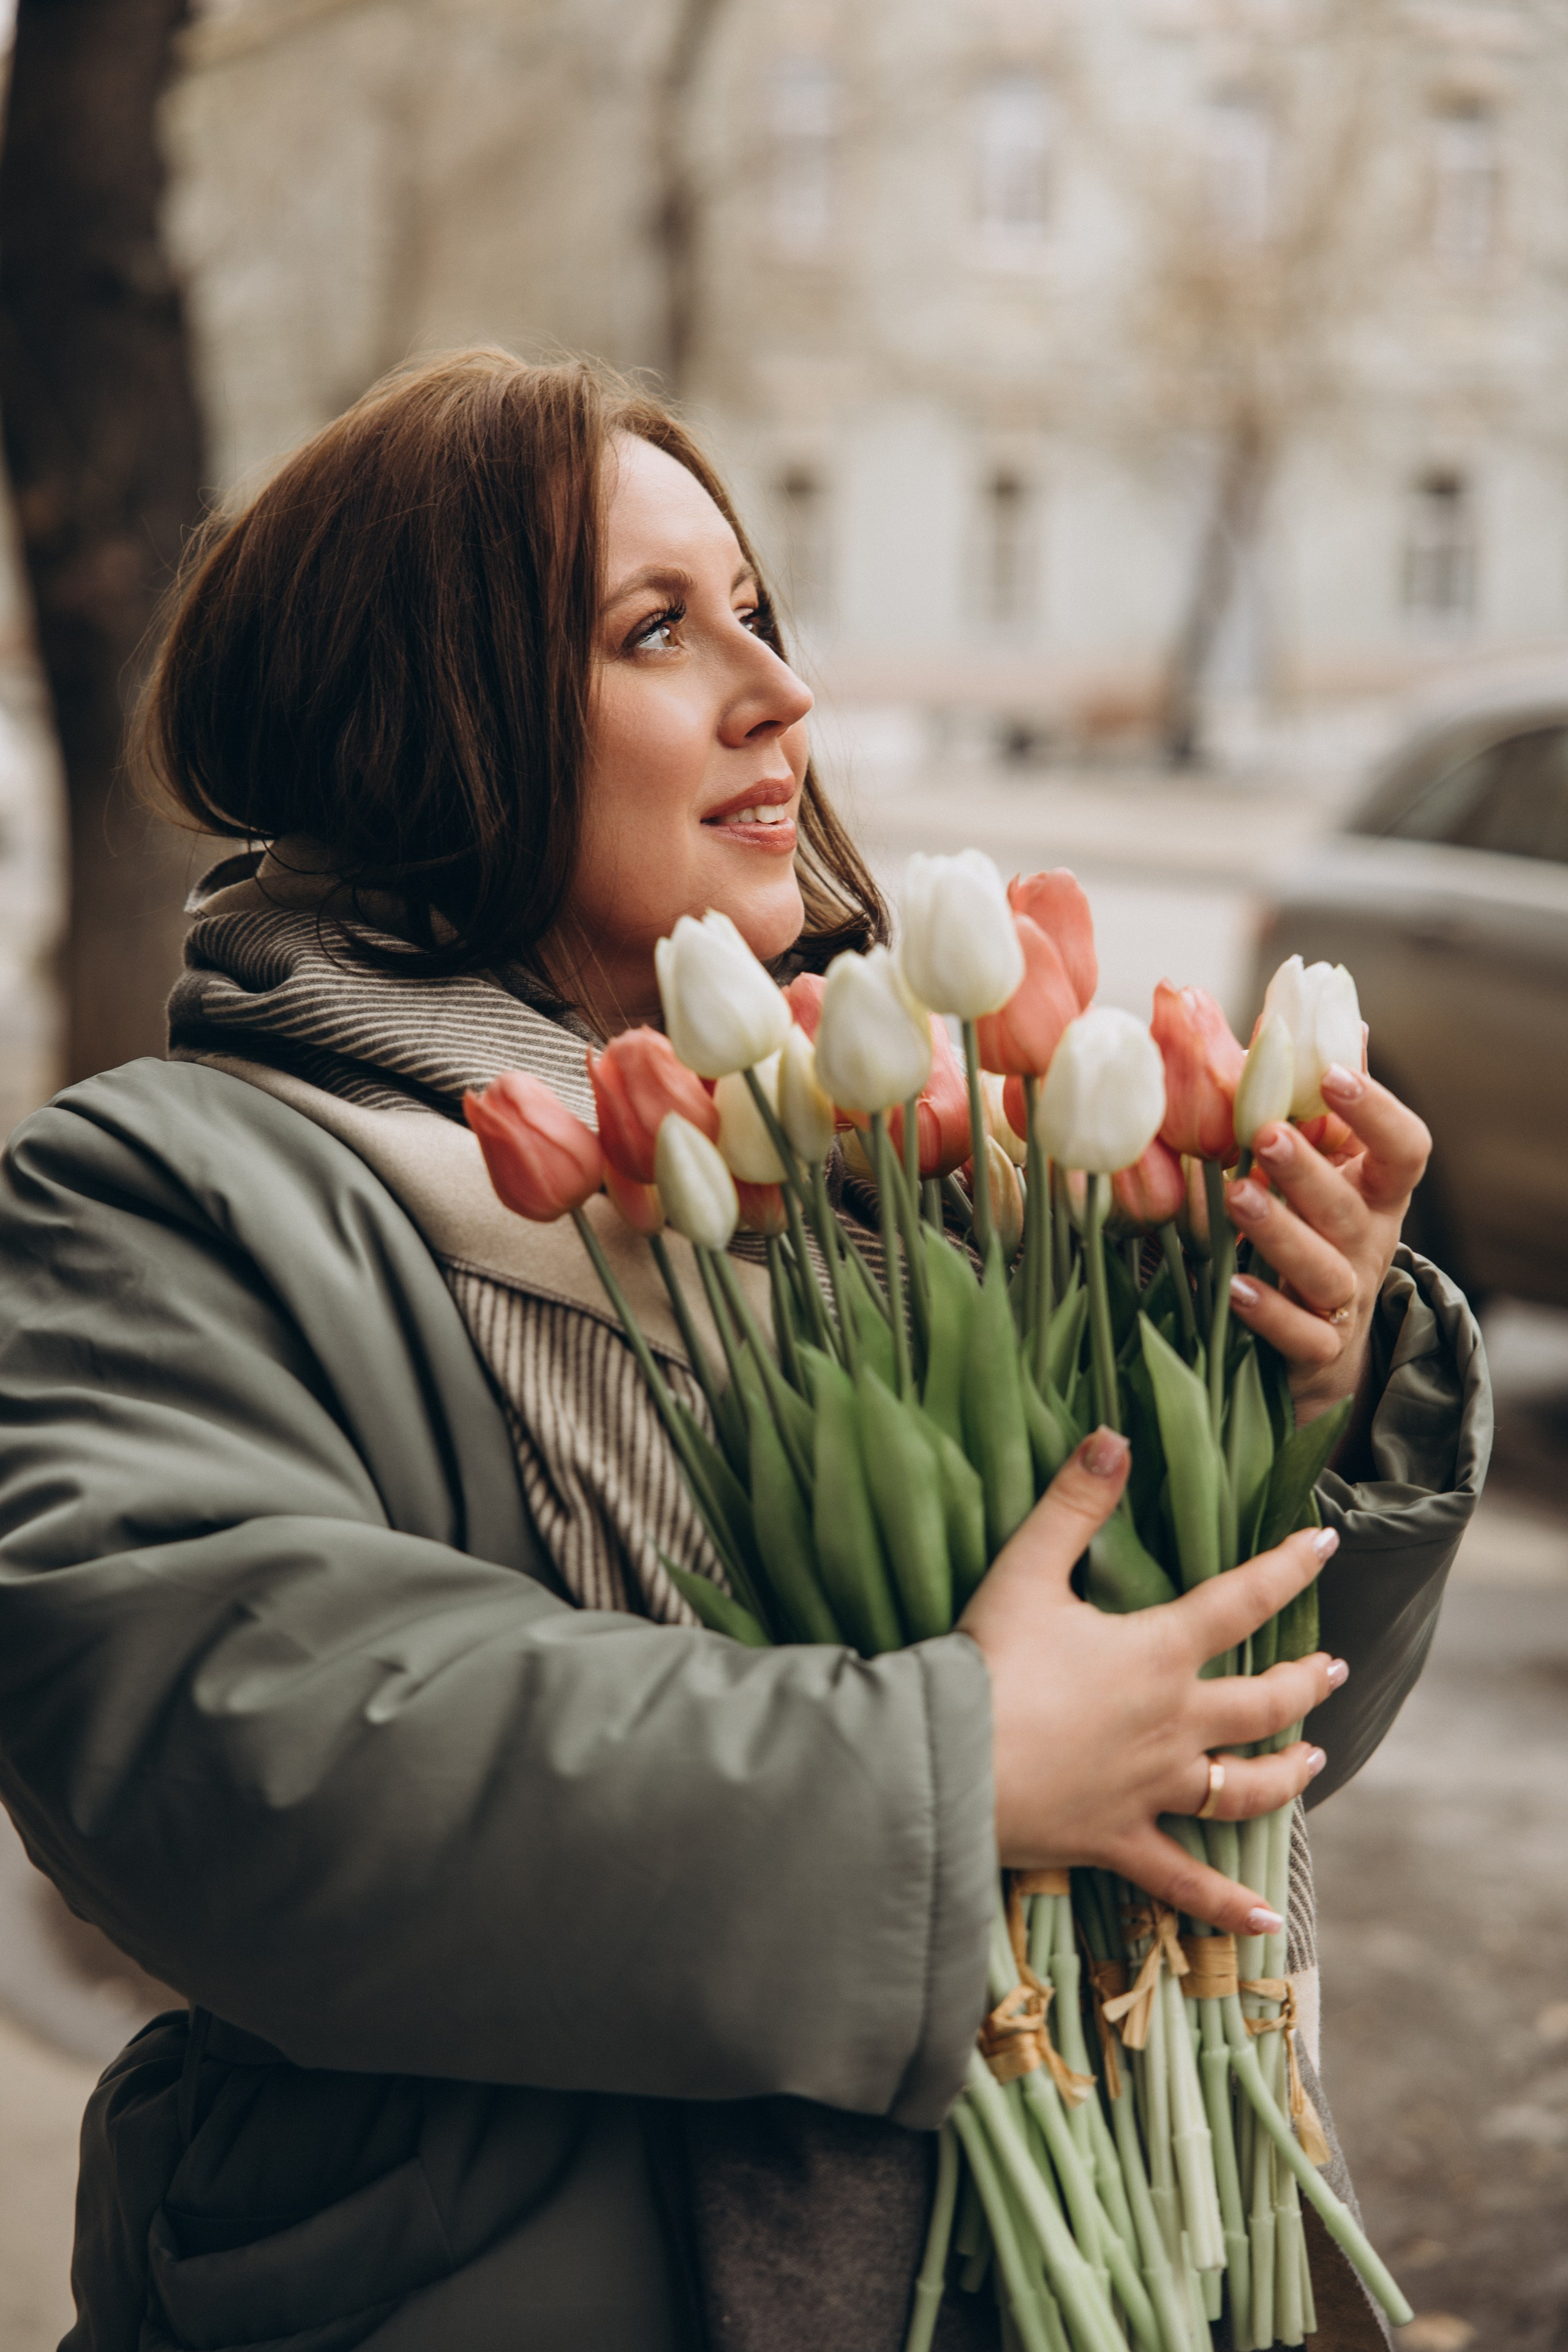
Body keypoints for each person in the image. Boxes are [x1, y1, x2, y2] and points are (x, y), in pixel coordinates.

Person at [0, 350, 1488, 2352]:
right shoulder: (175, 1194)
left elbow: (1206, 1774)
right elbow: (232, 1749)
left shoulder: (923, 1178)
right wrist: (945, 1778)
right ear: (423, 719)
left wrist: (1295, 1393)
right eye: (655, 630)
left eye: (760, 616)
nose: (779, 692)